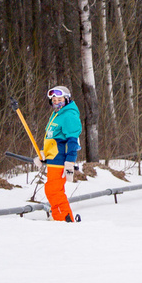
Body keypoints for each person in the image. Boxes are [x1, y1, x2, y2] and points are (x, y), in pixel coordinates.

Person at [40, 84, 81, 223]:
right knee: (51, 189)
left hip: (60, 160)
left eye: (59, 99)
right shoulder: (56, 115)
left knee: (54, 190)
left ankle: (65, 218)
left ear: (67, 99)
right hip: (53, 159)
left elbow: (72, 140)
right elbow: (53, 139)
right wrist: (44, 156)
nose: (56, 102)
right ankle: (58, 216)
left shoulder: (69, 115)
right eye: (54, 100)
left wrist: (70, 161)